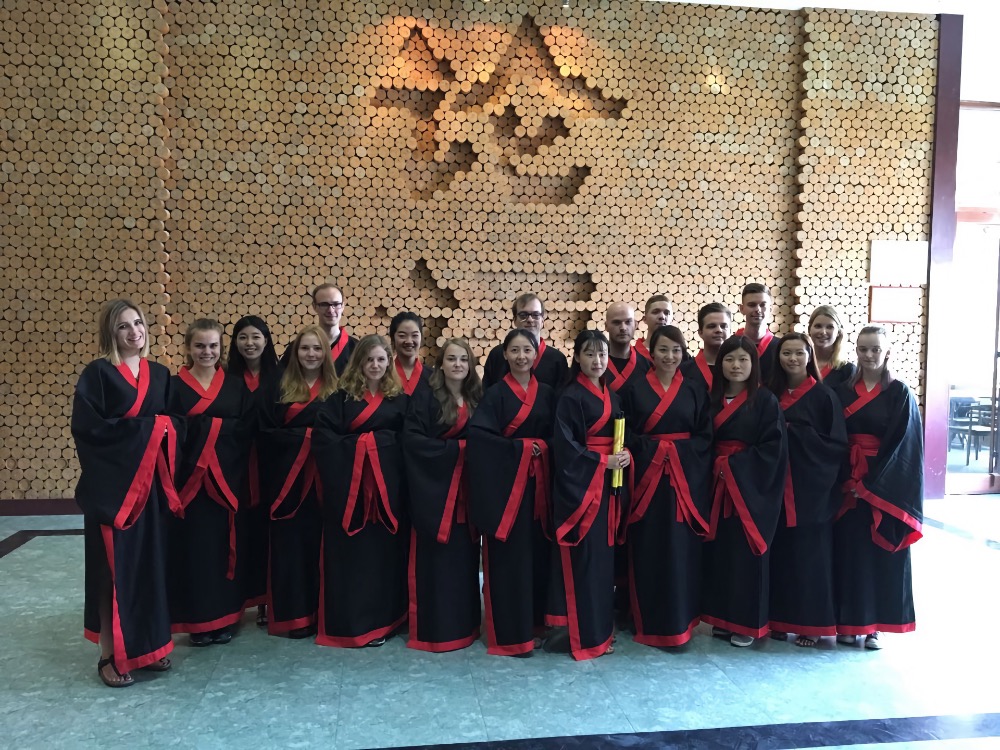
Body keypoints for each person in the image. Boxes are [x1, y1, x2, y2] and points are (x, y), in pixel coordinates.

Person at [72, 299, 180, 687]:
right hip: (113, 491)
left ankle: (147, 648)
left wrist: (162, 430)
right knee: (109, 571)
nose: (134, 331)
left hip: (149, 488)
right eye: (123, 326)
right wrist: (150, 429)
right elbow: (89, 431)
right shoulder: (97, 374)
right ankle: (108, 655)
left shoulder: (161, 374)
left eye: (138, 323)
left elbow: (173, 425)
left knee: (148, 566)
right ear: (110, 333)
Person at [313, 334, 409, 647]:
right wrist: (364, 446)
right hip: (349, 494)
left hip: (386, 495)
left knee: (384, 558)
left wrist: (377, 446)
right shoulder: (339, 397)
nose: (376, 365)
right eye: (369, 359)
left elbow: (408, 443)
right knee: (352, 560)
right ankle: (352, 624)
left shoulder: (399, 398)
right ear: (358, 363)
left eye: (382, 359)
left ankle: (386, 622)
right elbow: (324, 441)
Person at [833, 325, 923, 650]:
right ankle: (847, 622)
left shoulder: (900, 393)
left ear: (887, 352)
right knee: (847, 554)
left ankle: (874, 627)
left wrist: (870, 485)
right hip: (846, 481)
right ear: (855, 351)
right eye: (863, 349)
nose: (869, 355)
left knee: (879, 553)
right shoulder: (842, 391)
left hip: (882, 486)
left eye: (875, 349)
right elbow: (832, 437)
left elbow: (905, 445)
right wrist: (847, 479)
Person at [468, 329, 556, 656]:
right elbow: (480, 440)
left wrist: (542, 448)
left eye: (527, 351)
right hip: (506, 492)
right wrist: (522, 448)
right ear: (504, 355)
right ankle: (509, 634)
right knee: (510, 560)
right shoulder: (494, 395)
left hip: (540, 489)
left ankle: (535, 625)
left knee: (538, 557)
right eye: (514, 351)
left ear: (536, 355)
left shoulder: (547, 393)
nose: (521, 356)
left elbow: (559, 437)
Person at [622, 325, 712, 647]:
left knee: (681, 552)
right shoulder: (634, 391)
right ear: (651, 352)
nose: (670, 356)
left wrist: (676, 453)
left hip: (682, 483)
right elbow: (627, 435)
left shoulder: (694, 390)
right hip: (648, 483)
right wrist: (656, 452)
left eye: (676, 350)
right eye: (663, 350)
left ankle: (681, 622)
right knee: (649, 548)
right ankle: (647, 621)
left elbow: (704, 438)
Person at [168, 319, 250, 646]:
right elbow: (170, 431)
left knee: (222, 549)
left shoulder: (235, 386)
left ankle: (225, 617)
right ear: (188, 347)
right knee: (192, 550)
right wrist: (210, 429)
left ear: (221, 348)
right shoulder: (173, 386)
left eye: (213, 346)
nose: (207, 352)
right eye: (200, 346)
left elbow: (245, 431)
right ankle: (197, 622)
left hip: (226, 481)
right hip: (189, 484)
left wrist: (212, 429)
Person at [550, 330, 631, 660]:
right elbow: (566, 447)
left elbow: (621, 435)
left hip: (608, 487)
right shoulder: (570, 396)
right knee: (584, 562)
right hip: (584, 491)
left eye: (602, 354)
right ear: (577, 358)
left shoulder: (612, 393)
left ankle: (600, 632)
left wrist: (625, 455)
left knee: (602, 565)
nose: (597, 361)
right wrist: (603, 461)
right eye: (590, 354)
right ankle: (584, 637)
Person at [702, 336, 787, 647]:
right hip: (715, 486)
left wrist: (734, 465)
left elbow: (773, 449)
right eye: (729, 359)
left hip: (748, 489)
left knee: (745, 554)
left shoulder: (766, 401)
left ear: (754, 365)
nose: (736, 366)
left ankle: (747, 623)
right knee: (719, 555)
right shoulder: (710, 398)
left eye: (743, 360)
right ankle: (720, 618)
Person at [765, 333, 848, 647]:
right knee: (780, 555)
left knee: (810, 558)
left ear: (808, 355)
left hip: (809, 489)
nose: (792, 359)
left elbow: (835, 445)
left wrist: (793, 435)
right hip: (774, 487)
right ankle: (778, 620)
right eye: (786, 353)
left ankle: (811, 626)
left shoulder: (824, 397)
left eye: (799, 353)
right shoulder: (770, 393)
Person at [403, 339, 483, 652]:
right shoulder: (425, 397)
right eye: (451, 359)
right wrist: (459, 450)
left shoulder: (478, 396)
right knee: (436, 561)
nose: (458, 365)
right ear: (441, 363)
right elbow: (413, 441)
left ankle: (465, 627)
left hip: (467, 493)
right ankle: (435, 629)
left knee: (464, 561)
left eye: (464, 359)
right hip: (435, 494)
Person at [258, 325, 338, 637]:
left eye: (317, 349)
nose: (311, 354)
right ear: (295, 352)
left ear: (326, 353)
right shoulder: (276, 386)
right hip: (288, 484)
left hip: (325, 483)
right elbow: (264, 432)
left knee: (324, 548)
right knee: (291, 548)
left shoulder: (338, 387)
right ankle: (293, 618)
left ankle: (323, 614)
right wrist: (306, 438)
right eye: (304, 348)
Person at [227, 315, 280, 627]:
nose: (250, 343)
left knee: (270, 532)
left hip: (273, 465)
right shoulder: (227, 377)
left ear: (266, 340)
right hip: (236, 466)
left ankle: (267, 598)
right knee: (241, 529)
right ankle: (242, 597)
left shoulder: (281, 375)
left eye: (256, 337)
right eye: (243, 337)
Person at [481, 293, 569, 390]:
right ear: (514, 320)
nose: (530, 319)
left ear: (542, 321)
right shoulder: (497, 354)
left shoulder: (557, 359)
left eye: (536, 315)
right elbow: (487, 393)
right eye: (523, 315)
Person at [280, 284, 357, 375]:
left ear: (343, 306)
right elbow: (282, 382)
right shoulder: (297, 347)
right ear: (314, 306)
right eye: (324, 304)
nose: (330, 310)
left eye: (336, 304)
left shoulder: (357, 348)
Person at [681, 302, 732, 393]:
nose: (719, 330)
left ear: (730, 331)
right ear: (700, 332)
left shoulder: (738, 368)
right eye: (712, 326)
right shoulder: (684, 371)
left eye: (724, 326)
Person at [735, 283, 781, 380]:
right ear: (742, 309)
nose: (758, 309)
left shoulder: (781, 347)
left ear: (770, 309)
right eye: (752, 305)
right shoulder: (730, 345)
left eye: (763, 305)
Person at [808, 305, 856, 391]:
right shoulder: (801, 365)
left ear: (838, 332)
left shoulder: (848, 370)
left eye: (830, 327)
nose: (823, 332)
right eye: (818, 326)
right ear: (809, 329)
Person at [604, 301, 649, 392]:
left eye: (628, 322)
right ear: (606, 326)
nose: (623, 328)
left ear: (635, 325)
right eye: (616, 323)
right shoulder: (596, 364)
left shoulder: (647, 365)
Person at [391, 311, 433, 396]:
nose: (409, 341)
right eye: (402, 335)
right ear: (393, 339)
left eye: (415, 335)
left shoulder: (433, 377)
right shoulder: (384, 374)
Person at [634, 294, 674, 363]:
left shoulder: (681, 357)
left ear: (672, 320)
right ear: (645, 319)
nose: (662, 316)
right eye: (655, 312)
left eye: (666, 313)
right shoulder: (632, 355)